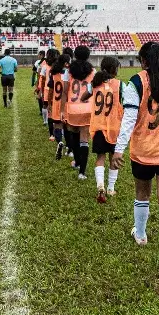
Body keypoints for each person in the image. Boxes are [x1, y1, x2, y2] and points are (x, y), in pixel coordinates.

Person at [111, 41, 159, 268]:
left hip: (143, 150)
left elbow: (128, 119)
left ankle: (142, 234)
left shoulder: (136, 82)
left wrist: (119, 149)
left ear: (143, 60)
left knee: (142, 193)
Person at [81, 56, 123, 203]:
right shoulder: (120, 85)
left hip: (98, 125)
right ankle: (111, 188)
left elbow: (83, 97)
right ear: (113, 69)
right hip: (114, 126)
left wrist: (92, 88)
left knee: (100, 157)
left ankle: (100, 185)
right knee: (113, 157)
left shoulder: (96, 84)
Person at [63, 46, 94, 179]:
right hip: (87, 108)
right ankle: (82, 171)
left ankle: (77, 161)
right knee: (84, 140)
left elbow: (65, 92)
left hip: (73, 108)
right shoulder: (93, 71)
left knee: (74, 137)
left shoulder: (68, 71)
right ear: (88, 56)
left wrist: (62, 110)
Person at [48, 53, 71, 160]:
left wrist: (49, 103)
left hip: (57, 103)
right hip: (67, 104)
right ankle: (69, 147)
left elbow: (51, 90)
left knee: (57, 125)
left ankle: (60, 141)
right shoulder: (70, 74)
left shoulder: (54, 74)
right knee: (68, 127)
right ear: (66, 63)